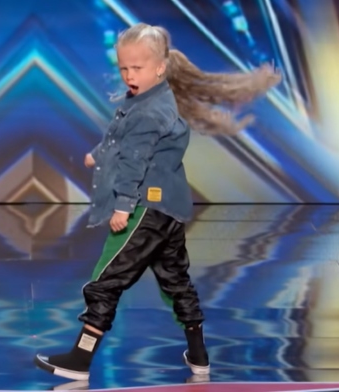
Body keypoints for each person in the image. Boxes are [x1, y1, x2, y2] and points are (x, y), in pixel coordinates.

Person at [34, 22, 281, 381]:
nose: (129, 75)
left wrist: (122, 206)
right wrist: (97, 154)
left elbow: (135, 159)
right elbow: (123, 140)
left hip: (144, 208)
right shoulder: (153, 100)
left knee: (106, 280)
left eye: (137, 68)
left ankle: (80, 361)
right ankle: (198, 356)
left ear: (160, 67)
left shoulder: (150, 110)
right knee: (175, 280)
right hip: (170, 210)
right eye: (124, 68)